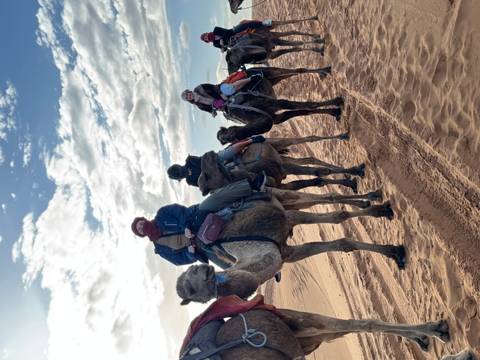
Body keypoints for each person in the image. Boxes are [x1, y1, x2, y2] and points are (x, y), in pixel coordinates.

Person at [131, 177, 267, 266]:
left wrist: (186, 226)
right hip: (200, 246)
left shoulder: (162, 214)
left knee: (217, 197)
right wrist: (190, 253)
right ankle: (262, 268)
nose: (142, 226)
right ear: (142, 235)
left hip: (195, 217)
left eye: (141, 223)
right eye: (140, 229)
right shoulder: (160, 249)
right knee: (231, 267)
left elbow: (178, 211)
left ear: (144, 219)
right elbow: (178, 260)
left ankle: (251, 186)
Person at [167, 135, 265, 186]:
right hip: (216, 176)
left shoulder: (190, 160)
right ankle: (253, 184)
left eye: (180, 173)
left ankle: (251, 140)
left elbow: (204, 160)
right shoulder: (190, 181)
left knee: (226, 153)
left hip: (214, 162)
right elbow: (204, 184)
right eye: (180, 175)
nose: (182, 174)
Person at [201, 19, 273, 51]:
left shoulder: (216, 29)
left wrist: (222, 40)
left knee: (245, 25)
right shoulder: (215, 44)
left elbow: (226, 32)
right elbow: (225, 48)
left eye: (206, 36)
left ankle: (264, 23)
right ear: (207, 41)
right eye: (206, 39)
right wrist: (222, 48)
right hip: (233, 44)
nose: (207, 38)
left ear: (207, 33)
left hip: (233, 32)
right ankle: (265, 49)